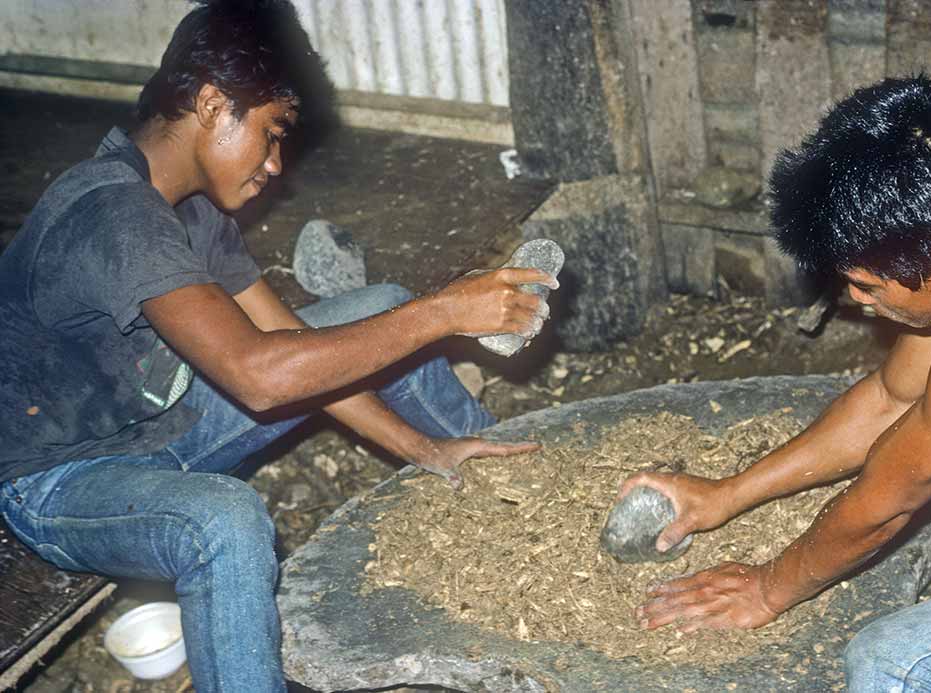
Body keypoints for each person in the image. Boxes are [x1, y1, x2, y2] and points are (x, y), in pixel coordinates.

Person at [0, 1, 556, 690]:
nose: (275, 163)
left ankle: (518, 479)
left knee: (382, 310)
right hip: (59, 477)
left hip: (163, 422)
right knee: (222, 521)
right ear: (211, 103)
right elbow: (262, 377)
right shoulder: (115, 215)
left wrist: (423, 448)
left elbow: (288, 343)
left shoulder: (192, 207)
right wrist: (442, 313)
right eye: (270, 133)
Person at [619, 74, 931, 691]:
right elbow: (890, 400)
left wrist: (767, 588)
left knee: (892, 667)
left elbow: (883, 508)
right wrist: (727, 494)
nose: (853, 299)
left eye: (868, 284)